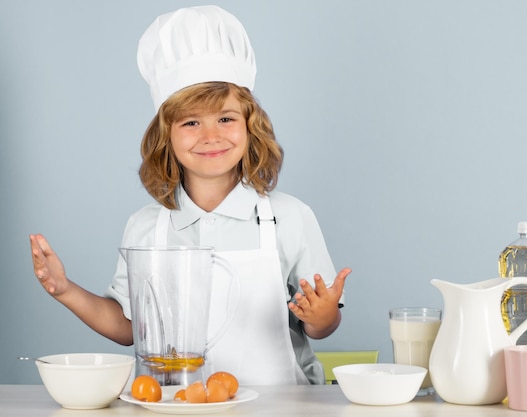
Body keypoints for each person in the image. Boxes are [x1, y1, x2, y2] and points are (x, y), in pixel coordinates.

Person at [30, 5, 350, 385]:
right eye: (191, 122)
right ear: (166, 136)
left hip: (280, 404)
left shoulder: (290, 217)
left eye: (226, 119)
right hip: (176, 404)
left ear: (251, 127)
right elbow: (129, 327)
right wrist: (66, 291)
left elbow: (320, 326)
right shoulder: (146, 227)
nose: (210, 135)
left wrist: (323, 315)